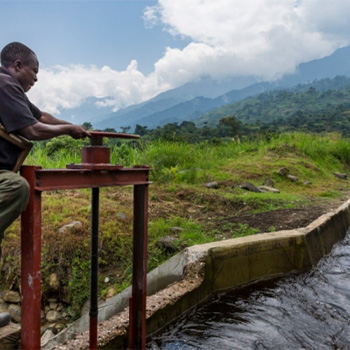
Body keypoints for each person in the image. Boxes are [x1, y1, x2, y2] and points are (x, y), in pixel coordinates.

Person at [0, 42, 90, 326]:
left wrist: (74, 126)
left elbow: (41, 117)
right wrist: (66, 130)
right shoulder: (3, 84)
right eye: (34, 72)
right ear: (17, 66)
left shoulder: (11, 89)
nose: (36, 79)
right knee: (16, 187)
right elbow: (33, 129)